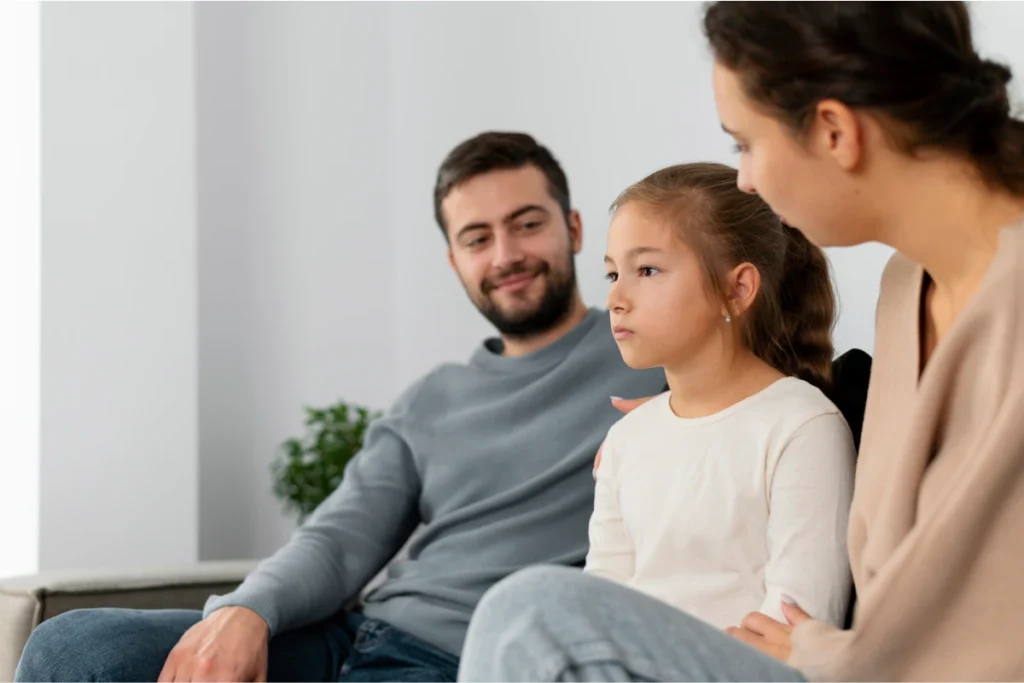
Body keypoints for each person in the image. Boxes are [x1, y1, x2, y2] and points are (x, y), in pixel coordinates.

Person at [457, 2, 1024, 681]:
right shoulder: (907, 287)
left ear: (835, 131)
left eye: (744, 143)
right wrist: (698, 432)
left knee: (532, 611)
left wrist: (821, 651)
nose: (747, 179)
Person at [14, 132, 667, 683]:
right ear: (454, 260)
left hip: (465, 658)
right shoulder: (432, 399)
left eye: (527, 223)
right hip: (348, 636)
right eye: (477, 237)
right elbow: (340, 536)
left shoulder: (653, 354)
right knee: (73, 648)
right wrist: (247, 611)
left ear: (574, 228)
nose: (506, 255)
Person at [587, 162, 855, 631]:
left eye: (647, 269)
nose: (616, 299)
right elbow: (599, 600)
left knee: (525, 601)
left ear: (737, 289)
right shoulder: (627, 440)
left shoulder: (802, 426)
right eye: (612, 275)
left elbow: (799, 620)